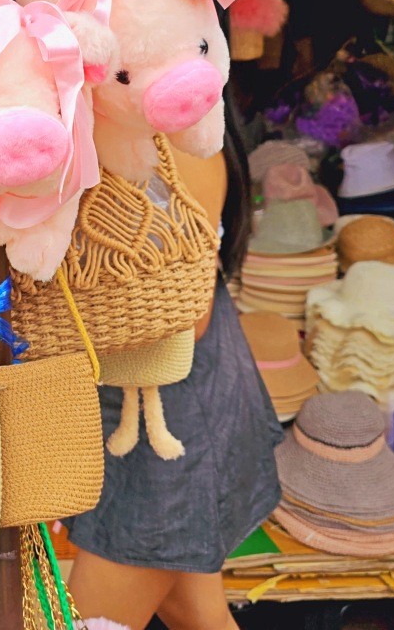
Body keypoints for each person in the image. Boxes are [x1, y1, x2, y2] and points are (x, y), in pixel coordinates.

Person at [66, 85, 282, 630]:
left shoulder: (179, 144)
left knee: (93, 621)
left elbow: (188, 317)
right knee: (197, 615)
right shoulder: (134, 130)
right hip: (161, 422)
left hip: (169, 434)